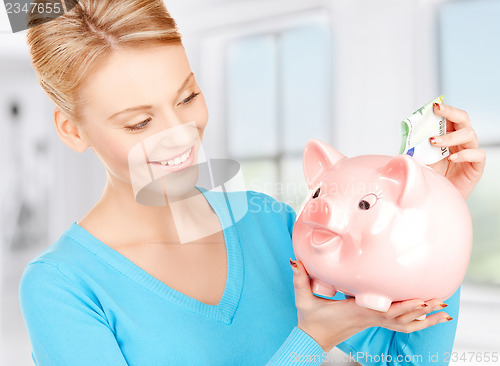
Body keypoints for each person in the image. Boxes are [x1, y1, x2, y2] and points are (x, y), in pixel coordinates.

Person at [18, 1, 486, 365]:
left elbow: (404, 358)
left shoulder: (271, 225)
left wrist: (435, 218)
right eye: (139, 123)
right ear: (72, 130)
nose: (178, 135)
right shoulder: (63, 287)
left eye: (188, 97)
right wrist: (311, 341)